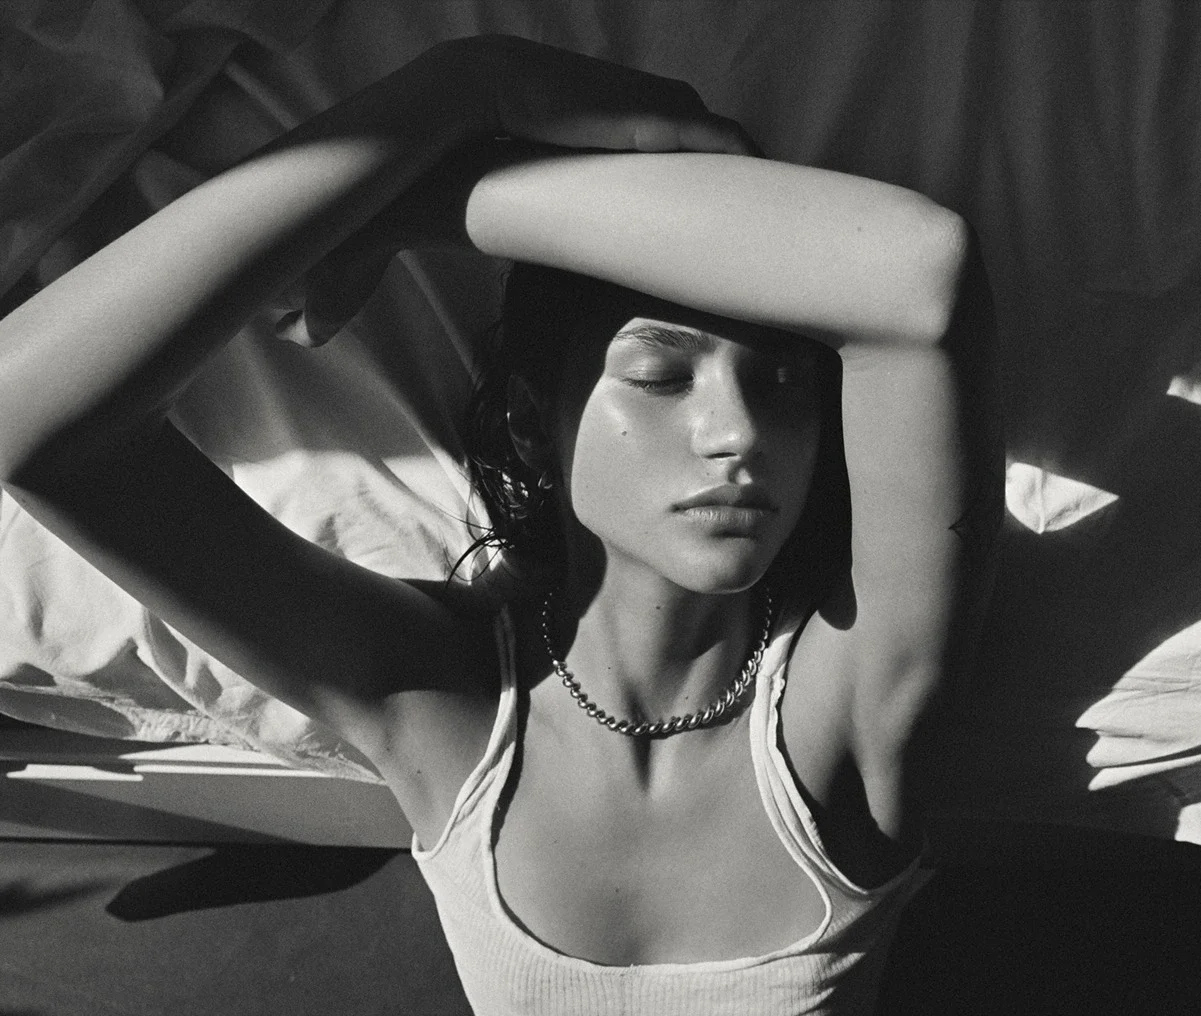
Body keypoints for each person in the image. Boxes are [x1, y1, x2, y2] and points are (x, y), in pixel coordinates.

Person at [0, 35, 996, 1015]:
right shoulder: (446, 704)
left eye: (783, 387)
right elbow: (24, 418)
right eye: (659, 374)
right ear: (533, 420)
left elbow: (919, 271)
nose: (736, 433)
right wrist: (460, 88)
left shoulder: (845, 710)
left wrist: (411, 205)